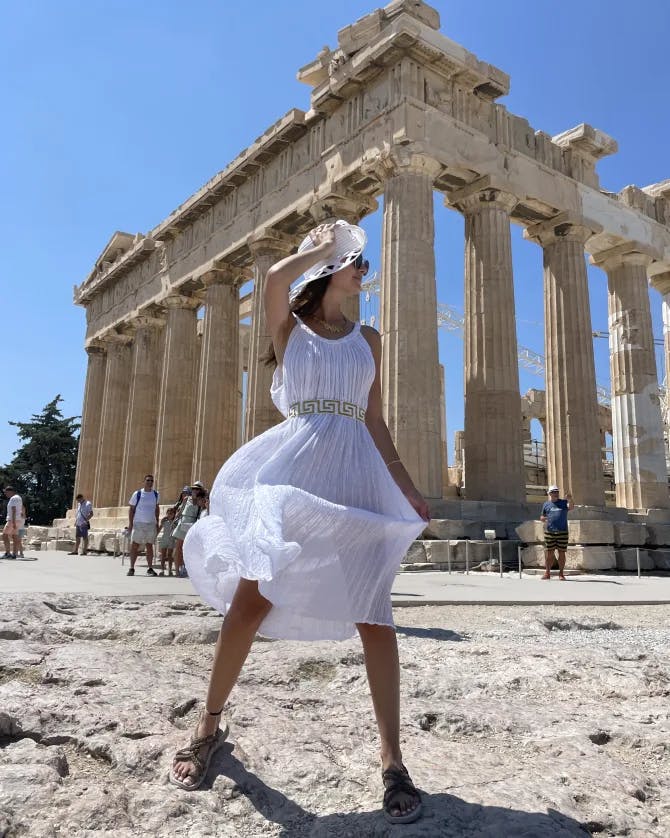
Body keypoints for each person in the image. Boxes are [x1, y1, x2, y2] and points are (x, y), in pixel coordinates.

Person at [170, 220, 429, 825]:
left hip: (357, 475)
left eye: (364, 263)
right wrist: (317, 247)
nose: (364, 271)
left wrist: (407, 486)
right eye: (356, 262)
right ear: (328, 269)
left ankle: (392, 759)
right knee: (250, 601)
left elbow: (375, 420)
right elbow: (272, 278)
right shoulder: (291, 328)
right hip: (295, 468)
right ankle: (209, 724)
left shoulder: (371, 339)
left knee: (375, 614)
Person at [126, 474, 160, 577]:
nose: (150, 482)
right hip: (139, 523)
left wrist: (157, 522)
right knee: (135, 545)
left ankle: (150, 568)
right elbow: (131, 509)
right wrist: (131, 524)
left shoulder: (156, 494)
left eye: (151, 481)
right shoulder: (138, 494)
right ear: (144, 481)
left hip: (151, 523)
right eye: (148, 480)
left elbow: (157, 508)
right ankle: (131, 568)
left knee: (149, 545)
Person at [540, 485, 574, 580]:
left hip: (562, 531)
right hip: (549, 532)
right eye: (554, 492)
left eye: (557, 491)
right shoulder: (546, 504)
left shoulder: (563, 502)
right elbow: (542, 517)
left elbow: (571, 507)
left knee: (562, 553)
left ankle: (561, 573)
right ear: (549, 493)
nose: (556, 493)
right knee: (549, 553)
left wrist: (570, 499)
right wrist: (544, 518)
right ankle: (547, 572)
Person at [172, 485, 205, 578]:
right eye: (193, 488)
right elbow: (181, 510)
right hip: (183, 522)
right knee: (178, 547)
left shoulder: (200, 500)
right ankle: (177, 570)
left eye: (197, 489)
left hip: (192, 524)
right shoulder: (186, 498)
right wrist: (175, 520)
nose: (194, 490)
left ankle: (185, 569)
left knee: (187, 549)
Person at [3, 486, 24, 559]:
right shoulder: (19, 498)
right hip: (18, 520)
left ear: (10, 491)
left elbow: (14, 510)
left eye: (6, 492)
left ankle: (8, 553)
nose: (5, 494)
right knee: (15, 536)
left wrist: (14, 522)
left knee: (4, 535)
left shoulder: (13, 498)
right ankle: (14, 554)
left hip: (12, 520)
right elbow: (21, 508)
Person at [157, 506, 177, 576]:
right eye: (168, 513)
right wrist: (155, 535)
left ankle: (170, 570)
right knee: (163, 555)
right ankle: (162, 570)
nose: (169, 515)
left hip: (171, 539)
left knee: (170, 556)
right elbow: (159, 529)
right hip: (164, 539)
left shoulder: (175, 522)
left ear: (174, 514)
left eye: (171, 513)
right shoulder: (164, 521)